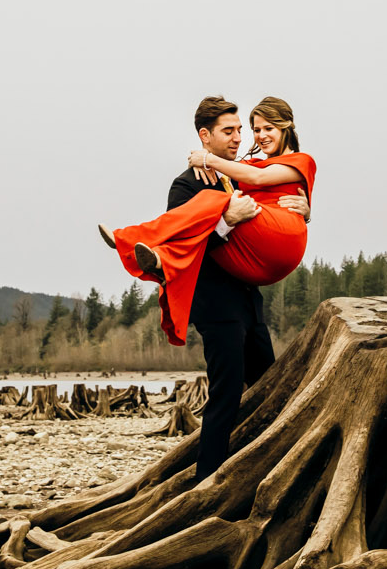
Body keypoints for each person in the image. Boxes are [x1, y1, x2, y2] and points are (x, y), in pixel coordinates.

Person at [99, 96, 313, 478]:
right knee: (226, 395)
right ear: (205, 136)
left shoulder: (240, 173)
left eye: (240, 131)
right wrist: (225, 220)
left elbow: (272, 188)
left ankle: (275, 470)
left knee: (272, 388)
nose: (239, 139)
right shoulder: (185, 186)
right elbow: (194, 244)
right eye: (229, 132)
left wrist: (305, 210)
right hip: (216, 306)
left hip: (249, 302)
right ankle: (207, 483)